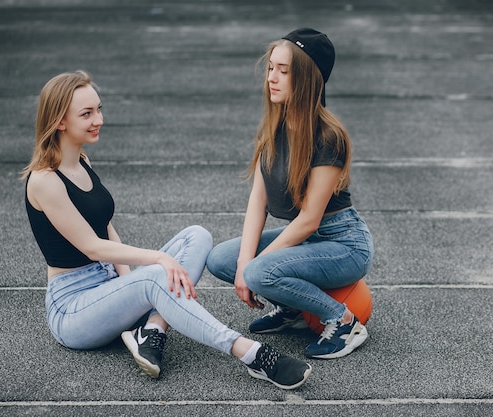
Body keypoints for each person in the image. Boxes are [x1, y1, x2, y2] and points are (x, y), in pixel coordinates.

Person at [20, 70, 312, 390]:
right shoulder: (45, 180)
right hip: (73, 310)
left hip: (106, 288)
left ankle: (153, 329)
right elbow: (92, 246)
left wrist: (128, 283)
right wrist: (155, 262)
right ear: (60, 121)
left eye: (99, 109)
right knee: (158, 273)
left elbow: (106, 228)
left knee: (197, 236)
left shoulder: (82, 163)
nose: (98, 119)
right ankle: (252, 354)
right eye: (86, 114)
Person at [206, 28, 375, 360]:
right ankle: (293, 309)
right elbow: (259, 199)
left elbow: (310, 221)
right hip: (304, 240)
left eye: (284, 71)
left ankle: (343, 321)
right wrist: (242, 263)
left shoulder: (329, 136)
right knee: (221, 260)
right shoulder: (275, 125)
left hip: (343, 243)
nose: (272, 77)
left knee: (259, 270)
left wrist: (253, 267)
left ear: (309, 79)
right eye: (271, 68)